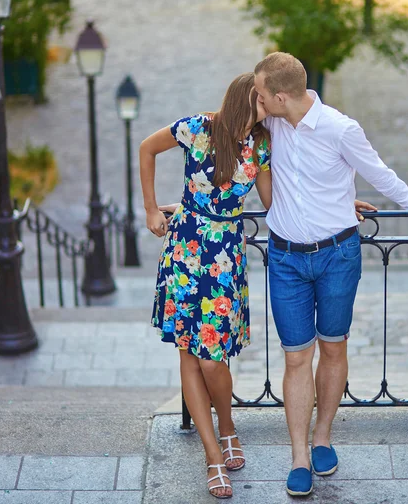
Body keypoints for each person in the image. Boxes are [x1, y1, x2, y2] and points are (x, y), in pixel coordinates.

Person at [253, 52, 408, 497]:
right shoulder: (268, 124)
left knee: (332, 347)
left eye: (260, 94)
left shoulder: (340, 129)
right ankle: (299, 457)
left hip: (338, 257)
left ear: (281, 95)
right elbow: (228, 136)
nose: (256, 99)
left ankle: (323, 436)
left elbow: (380, 175)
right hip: (286, 259)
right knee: (295, 357)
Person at [139, 73, 272, 499]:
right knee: (189, 353)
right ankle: (214, 454)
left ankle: (228, 425)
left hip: (225, 255)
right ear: (246, 100)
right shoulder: (196, 127)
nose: (270, 110)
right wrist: (150, 209)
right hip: (184, 248)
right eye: (264, 103)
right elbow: (146, 149)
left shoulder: (262, 145)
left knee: (211, 359)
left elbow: (276, 202)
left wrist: (342, 202)